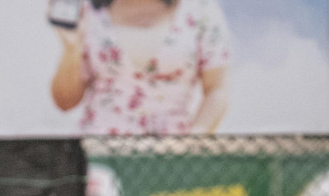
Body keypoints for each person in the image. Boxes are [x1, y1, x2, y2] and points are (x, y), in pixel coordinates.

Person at [50, 0, 232, 135]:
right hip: (100, 155)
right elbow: (65, 102)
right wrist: (71, 48)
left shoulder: (200, 9)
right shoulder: (88, 12)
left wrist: (192, 141)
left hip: (173, 157)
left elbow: (217, 89)